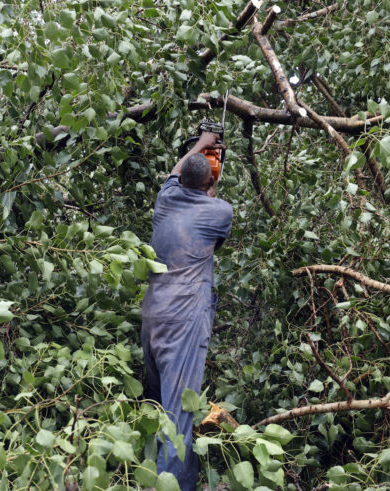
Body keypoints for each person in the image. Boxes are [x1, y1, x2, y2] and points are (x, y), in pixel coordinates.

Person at [142, 132, 233, 490]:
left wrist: (202, 143)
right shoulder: (220, 212)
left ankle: (145, 478)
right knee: (177, 418)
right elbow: (215, 235)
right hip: (184, 320)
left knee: (154, 407)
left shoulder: (165, 199)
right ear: (210, 181)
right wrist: (213, 177)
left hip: (153, 317)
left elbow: (175, 173)